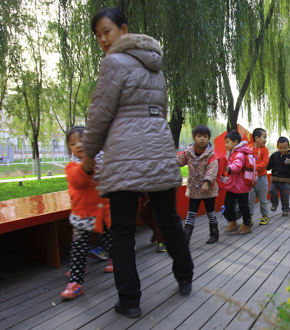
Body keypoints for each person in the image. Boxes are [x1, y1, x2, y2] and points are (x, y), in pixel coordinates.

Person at [82, 8, 193, 319]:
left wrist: (89, 155)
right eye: (98, 35)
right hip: (158, 152)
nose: (103, 39)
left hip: (124, 157)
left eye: (107, 31)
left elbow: (99, 113)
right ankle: (185, 276)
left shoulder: (113, 62)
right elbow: (157, 111)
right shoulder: (156, 68)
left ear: (124, 29)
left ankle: (130, 300)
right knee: (169, 220)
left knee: (121, 231)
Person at [60, 126, 113, 300]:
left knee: (111, 243)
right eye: (73, 143)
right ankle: (76, 282)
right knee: (78, 249)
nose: (78, 145)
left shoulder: (103, 159)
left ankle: (117, 262)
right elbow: (76, 179)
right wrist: (86, 168)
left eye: (82, 141)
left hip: (102, 213)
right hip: (81, 216)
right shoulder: (72, 165)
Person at [176, 125, 220, 244]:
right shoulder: (188, 153)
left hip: (209, 189)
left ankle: (214, 233)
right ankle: (186, 238)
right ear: (194, 138)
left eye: (205, 136)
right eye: (199, 136)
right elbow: (177, 161)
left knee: (210, 212)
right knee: (191, 213)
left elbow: (212, 169)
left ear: (208, 138)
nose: (202, 139)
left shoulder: (212, 154)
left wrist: (206, 183)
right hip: (194, 189)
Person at [223, 130, 254, 235]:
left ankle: (247, 224)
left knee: (243, 205)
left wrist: (227, 168)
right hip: (233, 185)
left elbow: (237, 166)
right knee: (228, 202)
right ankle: (233, 222)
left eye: (227, 142)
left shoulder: (239, 154)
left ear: (235, 142)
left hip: (241, 185)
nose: (225, 144)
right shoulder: (234, 153)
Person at [267, 137, 290, 216]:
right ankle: (274, 203)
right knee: (272, 191)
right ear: (277, 147)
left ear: (288, 147)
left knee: (285, 195)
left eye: (285, 148)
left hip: (285, 181)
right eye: (281, 148)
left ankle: (285, 209)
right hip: (275, 180)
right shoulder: (274, 155)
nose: (283, 150)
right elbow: (268, 165)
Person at [247, 128, 270, 225]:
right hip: (250, 179)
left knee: (262, 199)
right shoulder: (248, 148)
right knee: (249, 199)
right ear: (256, 138)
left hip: (262, 178)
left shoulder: (265, 150)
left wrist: (253, 167)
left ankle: (265, 216)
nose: (266, 140)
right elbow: (244, 160)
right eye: (264, 137)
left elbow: (265, 163)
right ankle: (249, 217)